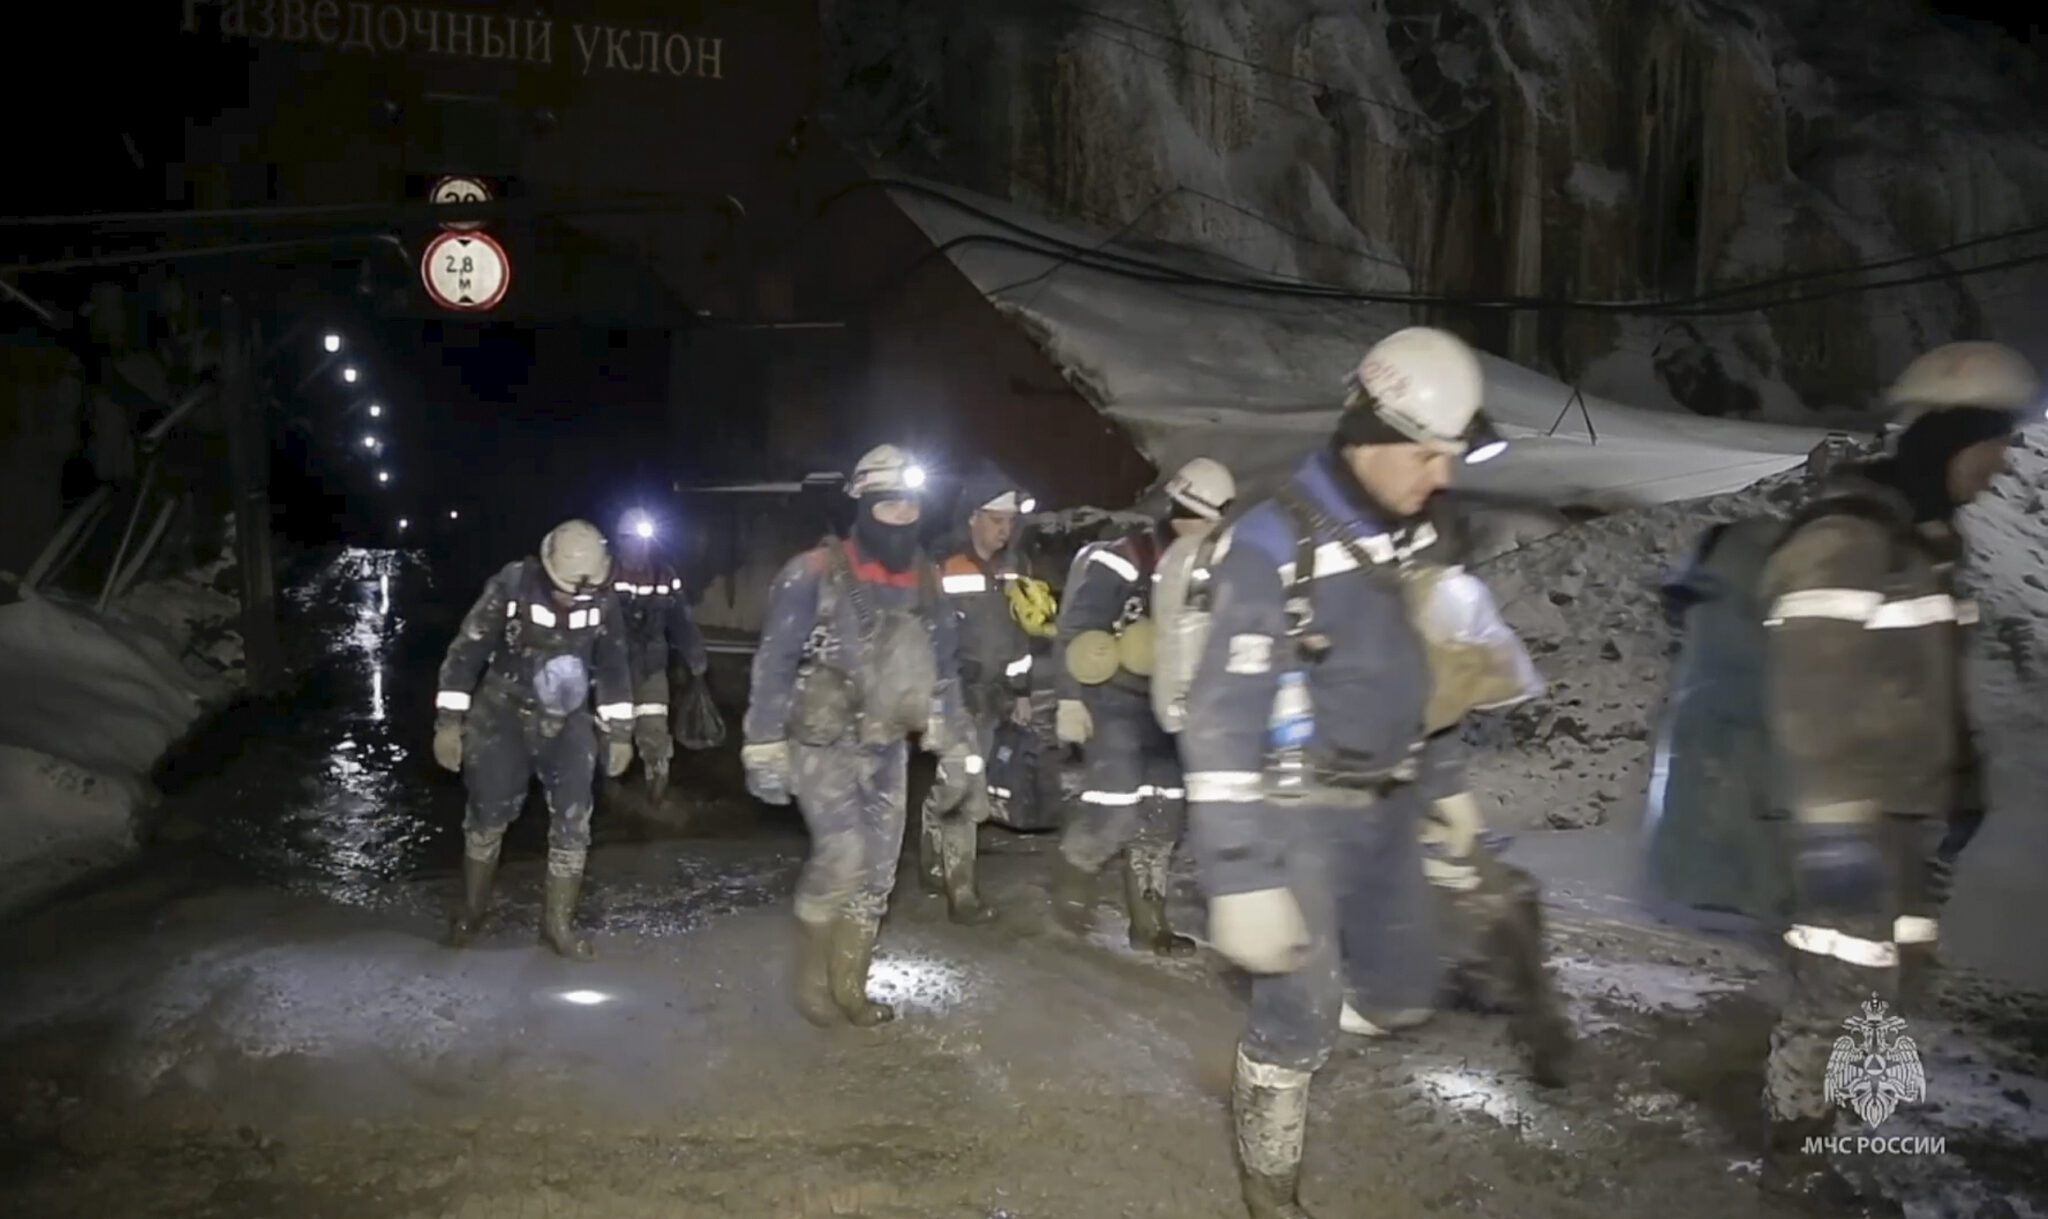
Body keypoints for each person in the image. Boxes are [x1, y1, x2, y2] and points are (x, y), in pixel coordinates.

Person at [1180, 327, 1519, 1218]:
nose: (1442, 476)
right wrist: (1241, 878)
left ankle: (1314, 1010)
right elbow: (1220, 719)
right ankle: (1270, 1176)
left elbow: (1429, 672)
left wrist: (1444, 779)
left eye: (1451, 455)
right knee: (1301, 1009)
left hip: (1387, 803)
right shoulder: (1270, 542)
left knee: (1406, 992)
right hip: (1295, 807)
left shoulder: (1416, 536)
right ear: (1370, 432)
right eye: (1427, 454)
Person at [1757, 340, 2037, 1212]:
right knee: (1837, 992)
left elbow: (1927, 684)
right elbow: (1807, 690)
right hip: (1851, 821)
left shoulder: (1925, 539)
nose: (2002, 464)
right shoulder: (1849, 536)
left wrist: (1962, 782)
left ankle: (1833, 1127)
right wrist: (1833, 823)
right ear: (1951, 437)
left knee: (1886, 989)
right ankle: (1793, 1162)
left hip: (1908, 815)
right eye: (1993, 442)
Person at [740, 444, 983, 1026]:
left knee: (877, 870)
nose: (901, 516)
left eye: (910, 506)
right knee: (843, 855)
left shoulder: (927, 581)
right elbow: (774, 663)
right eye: (888, 505)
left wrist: (956, 745)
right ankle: (812, 982)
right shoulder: (812, 572)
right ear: (863, 503)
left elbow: (944, 670)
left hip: (887, 742)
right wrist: (763, 746)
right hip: (822, 741)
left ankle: (850, 985)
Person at [1050, 456, 1235, 954]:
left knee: (1164, 816)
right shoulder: (1125, 558)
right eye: (1204, 517)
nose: (1210, 529)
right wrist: (1070, 700)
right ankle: (1071, 888)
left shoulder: (1211, 568)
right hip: (1117, 702)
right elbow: (1078, 630)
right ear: (1182, 511)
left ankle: (1149, 922)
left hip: (1172, 711)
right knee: (1114, 811)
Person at [431, 519, 636, 960]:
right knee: (488, 814)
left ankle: (557, 926)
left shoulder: (604, 600)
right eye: (567, 587)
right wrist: (448, 724)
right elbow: (465, 654)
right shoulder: (512, 586)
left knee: (574, 820)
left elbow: (614, 667)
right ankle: (472, 911)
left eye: (584, 590)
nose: (575, 597)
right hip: (501, 716)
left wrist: (620, 733)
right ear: (548, 567)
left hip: (568, 720)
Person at [917, 465, 1037, 923]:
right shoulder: (942, 565)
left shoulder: (1013, 568)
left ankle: (934, 854)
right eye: (996, 520)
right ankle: (961, 891)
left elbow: (1019, 636)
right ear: (972, 517)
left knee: (964, 781)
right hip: (952, 694)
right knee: (966, 787)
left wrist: (1022, 691)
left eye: (1010, 522)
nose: (1005, 530)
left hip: (992, 698)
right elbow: (924, 633)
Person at [610, 506, 710, 803]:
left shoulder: (664, 575)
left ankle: (656, 788)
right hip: (612, 670)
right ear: (620, 541)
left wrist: (695, 656)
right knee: (611, 733)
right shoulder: (606, 574)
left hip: (651, 667)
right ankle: (609, 793)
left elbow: (681, 619)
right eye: (631, 540)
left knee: (654, 729)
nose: (638, 548)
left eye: (643, 541)